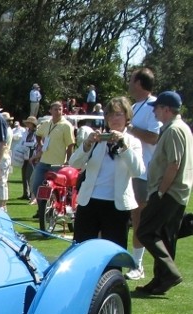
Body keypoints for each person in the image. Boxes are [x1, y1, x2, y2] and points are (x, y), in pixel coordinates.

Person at [134, 91, 192, 296]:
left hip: (169, 192)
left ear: (167, 109)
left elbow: (173, 164)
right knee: (166, 237)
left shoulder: (174, 130)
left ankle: (170, 273)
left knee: (145, 231)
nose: (155, 112)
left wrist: (160, 191)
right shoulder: (179, 128)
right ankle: (160, 281)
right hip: (176, 191)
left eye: (157, 108)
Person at [69, 97, 144, 248]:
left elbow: (138, 171)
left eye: (118, 114)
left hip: (116, 205)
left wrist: (123, 146)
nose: (114, 118)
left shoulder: (133, 142)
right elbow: (74, 163)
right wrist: (87, 144)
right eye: (110, 114)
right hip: (89, 202)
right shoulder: (98, 139)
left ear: (127, 117)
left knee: (113, 252)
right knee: (82, 248)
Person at [125, 67, 162, 280]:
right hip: (131, 169)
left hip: (145, 171)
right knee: (133, 216)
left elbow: (154, 137)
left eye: (132, 80)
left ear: (139, 83)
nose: (129, 84)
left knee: (140, 217)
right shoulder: (136, 106)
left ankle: (138, 265)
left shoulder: (152, 106)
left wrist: (130, 129)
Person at [30, 101, 75, 227]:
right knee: (36, 186)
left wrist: (69, 162)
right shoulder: (46, 124)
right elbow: (38, 134)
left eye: (60, 109)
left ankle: (57, 210)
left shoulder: (66, 125)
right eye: (55, 109)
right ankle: (44, 209)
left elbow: (70, 145)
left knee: (57, 190)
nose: (58, 111)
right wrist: (40, 144)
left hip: (58, 163)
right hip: (44, 161)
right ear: (50, 110)